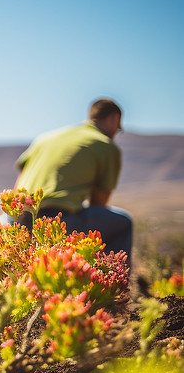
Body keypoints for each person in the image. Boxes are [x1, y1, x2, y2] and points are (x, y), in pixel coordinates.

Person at [14, 97, 132, 261]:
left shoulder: (46, 138)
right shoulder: (106, 146)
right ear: (114, 119)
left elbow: (18, 183)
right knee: (124, 222)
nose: (116, 134)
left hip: (19, 220)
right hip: (59, 221)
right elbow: (98, 203)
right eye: (118, 129)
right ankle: (111, 281)